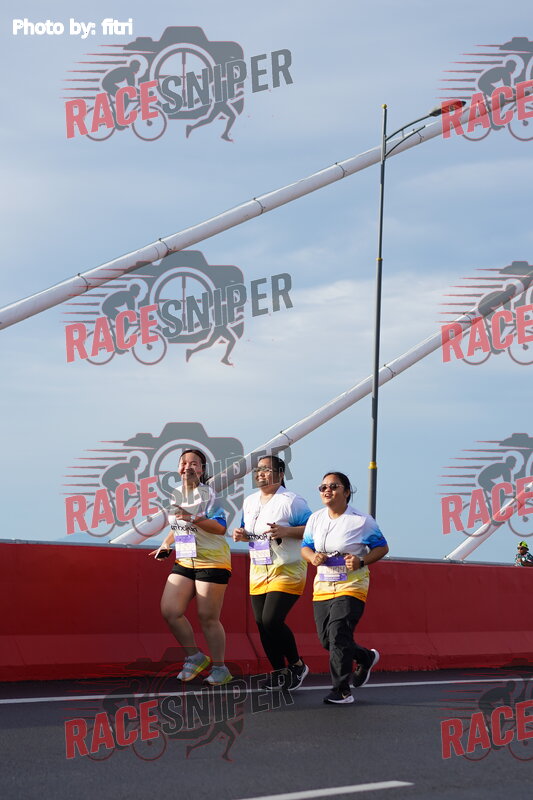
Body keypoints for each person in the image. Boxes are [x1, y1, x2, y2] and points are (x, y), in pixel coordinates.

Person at [301, 471, 389, 705]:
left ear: (347, 492)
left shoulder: (361, 520)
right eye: (323, 487)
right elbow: (306, 547)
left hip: (352, 585)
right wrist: (312, 557)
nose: (327, 490)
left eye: (333, 486)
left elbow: (382, 547)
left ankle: (341, 691)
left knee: (339, 634)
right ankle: (365, 657)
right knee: (328, 641)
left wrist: (361, 561)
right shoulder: (315, 519)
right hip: (323, 586)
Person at [151, 449, 233, 685]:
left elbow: (220, 527)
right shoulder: (176, 493)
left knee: (207, 617)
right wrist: (166, 544)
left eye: (194, 463)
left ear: (202, 470)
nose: (188, 467)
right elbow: (177, 525)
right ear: (178, 468)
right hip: (185, 559)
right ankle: (195, 657)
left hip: (212, 560)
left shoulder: (208, 495)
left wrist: (192, 517)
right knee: (170, 610)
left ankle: (220, 668)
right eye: (184, 462)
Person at [233, 455, 312, 690]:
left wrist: (287, 531)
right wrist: (241, 534)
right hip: (259, 569)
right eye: (257, 470)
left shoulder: (292, 501)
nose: (260, 473)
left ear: (280, 474)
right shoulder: (250, 501)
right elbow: (247, 531)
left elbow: (313, 530)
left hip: (288, 568)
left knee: (271, 620)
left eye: (266, 469)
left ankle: (297, 665)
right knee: (261, 623)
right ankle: (279, 671)